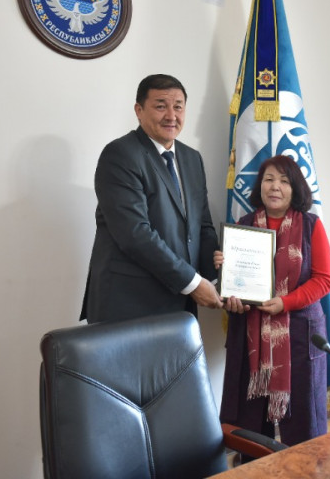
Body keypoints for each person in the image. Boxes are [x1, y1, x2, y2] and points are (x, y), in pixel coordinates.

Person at [80, 74, 224, 324]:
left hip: (180, 304)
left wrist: (218, 282)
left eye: (178, 106)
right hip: (129, 303)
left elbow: (202, 226)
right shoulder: (121, 155)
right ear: (139, 110)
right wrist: (193, 283)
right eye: (160, 106)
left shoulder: (192, 158)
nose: (171, 115)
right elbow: (135, 234)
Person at [215, 154, 330, 447]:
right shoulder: (243, 226)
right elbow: (233, 287)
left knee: (305, 424)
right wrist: (225, 273)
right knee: (250, 425)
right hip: (251, 336)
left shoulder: (311, 226)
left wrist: (286, 302)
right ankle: (255, 466)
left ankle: (306, 468)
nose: (275, 186)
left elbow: (324, 279)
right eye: (268, 179)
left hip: (300, 334)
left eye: (283, 181)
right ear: (260, 186)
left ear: (295, 188)